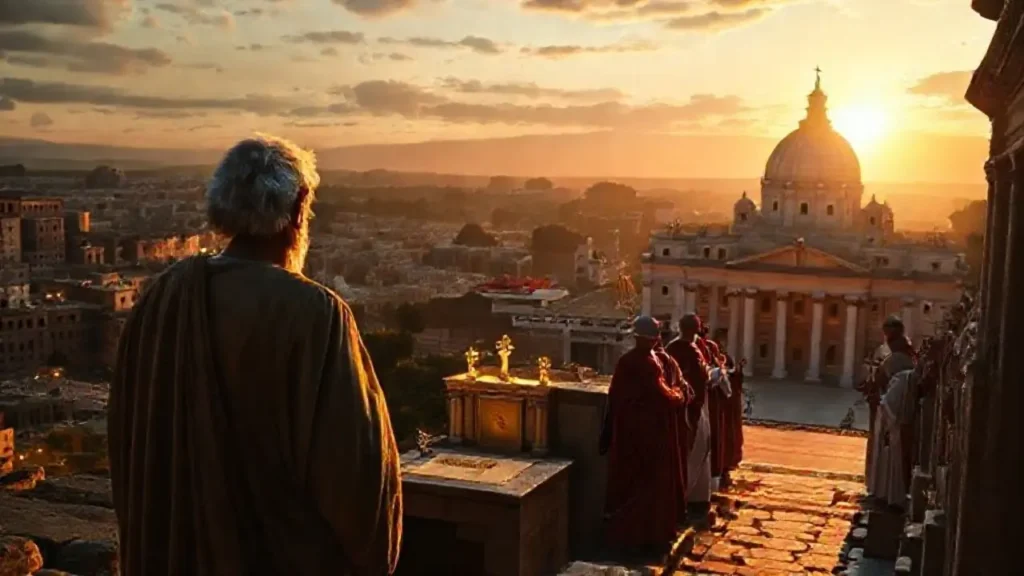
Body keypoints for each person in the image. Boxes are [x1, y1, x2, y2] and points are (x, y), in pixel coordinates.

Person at [108, 135, 403, 576]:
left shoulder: (162, 299)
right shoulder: (314, 314)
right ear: (299, 208)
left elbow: (124, 437)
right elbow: (357, 478)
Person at [603, 316, 686, 558]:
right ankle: (648, 537)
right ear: (654, 339)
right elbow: (663, 396)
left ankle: (624, 537)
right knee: (649, 486)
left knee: (627, 485)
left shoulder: (625, 361)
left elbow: (614, 396)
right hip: (649, 435)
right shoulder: (649, 364)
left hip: (627, 433)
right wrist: (679, 395)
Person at [665, 314, 721, 527]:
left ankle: (692, 498)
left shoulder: (671, 348)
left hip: (682, 408)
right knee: (696, 452)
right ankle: (690, 499)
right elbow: (702, 378)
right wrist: (715, 376)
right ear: (696, 330)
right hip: (693, 409)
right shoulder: (691, 350)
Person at [865, 315, 917, 505]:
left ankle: (886, 492)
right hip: (896, 407)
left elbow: (882, 383)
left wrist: (875, 396)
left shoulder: (894, 359)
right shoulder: (908, 355)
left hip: (891, 410)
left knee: (889, 453)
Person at [714, 329, 746, 488]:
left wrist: (737, 372)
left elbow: (732, 382)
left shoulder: (724, 359)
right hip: (720, 408)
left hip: (724, 409)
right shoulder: (713, 359)